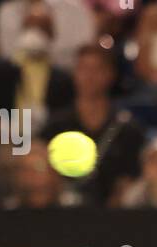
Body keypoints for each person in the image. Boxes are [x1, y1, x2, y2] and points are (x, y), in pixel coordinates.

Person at [42, 42, 145, 205]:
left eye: (97, 70)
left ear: (110, 74)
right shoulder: (55, 126)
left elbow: (133, 178)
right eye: (83, 69)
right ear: (74, 74)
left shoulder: (127, 129)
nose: (89, 76)